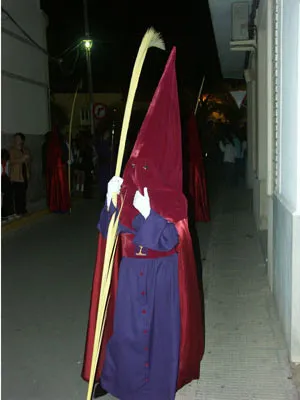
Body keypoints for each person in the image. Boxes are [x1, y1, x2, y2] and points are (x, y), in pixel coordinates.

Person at [82, 47, 204, 400]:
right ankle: (122, 384)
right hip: (131, 278)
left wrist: (150, 215)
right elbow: (108, 232)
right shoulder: (130, 190)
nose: (139, 172)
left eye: (144, 166)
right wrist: (111, 200)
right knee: (128, 336)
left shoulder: (173, 197)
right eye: (137, 166)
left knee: (157, 340)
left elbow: (171, 241)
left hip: (161, 281)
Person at [45, 127, 70, 213]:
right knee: (61, 187)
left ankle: (55, 206)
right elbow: (65, 156)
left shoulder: (50, 145)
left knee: (55, 188)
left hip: (53, 170)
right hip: (60, 169)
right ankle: (62, 205)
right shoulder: (61, 144)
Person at [9, 133, 30, 216]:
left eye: (18, 138)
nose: (16, 140)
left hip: (24, 174)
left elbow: (28, 161)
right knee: (18, 194)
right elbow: (11, 161)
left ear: (22, 140)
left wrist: (27, 159)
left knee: (23, 193)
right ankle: (19, 211)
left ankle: (23, 209)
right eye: (15, 138)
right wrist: (22, 159)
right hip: (16, 176)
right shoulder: (12, 150)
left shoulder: (25, 150)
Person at [1, 148, 14, 221]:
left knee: (7, 197)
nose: (4, 161)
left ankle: (6, 214)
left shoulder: (6, 163)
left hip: (5, 178)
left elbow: (7, 171)